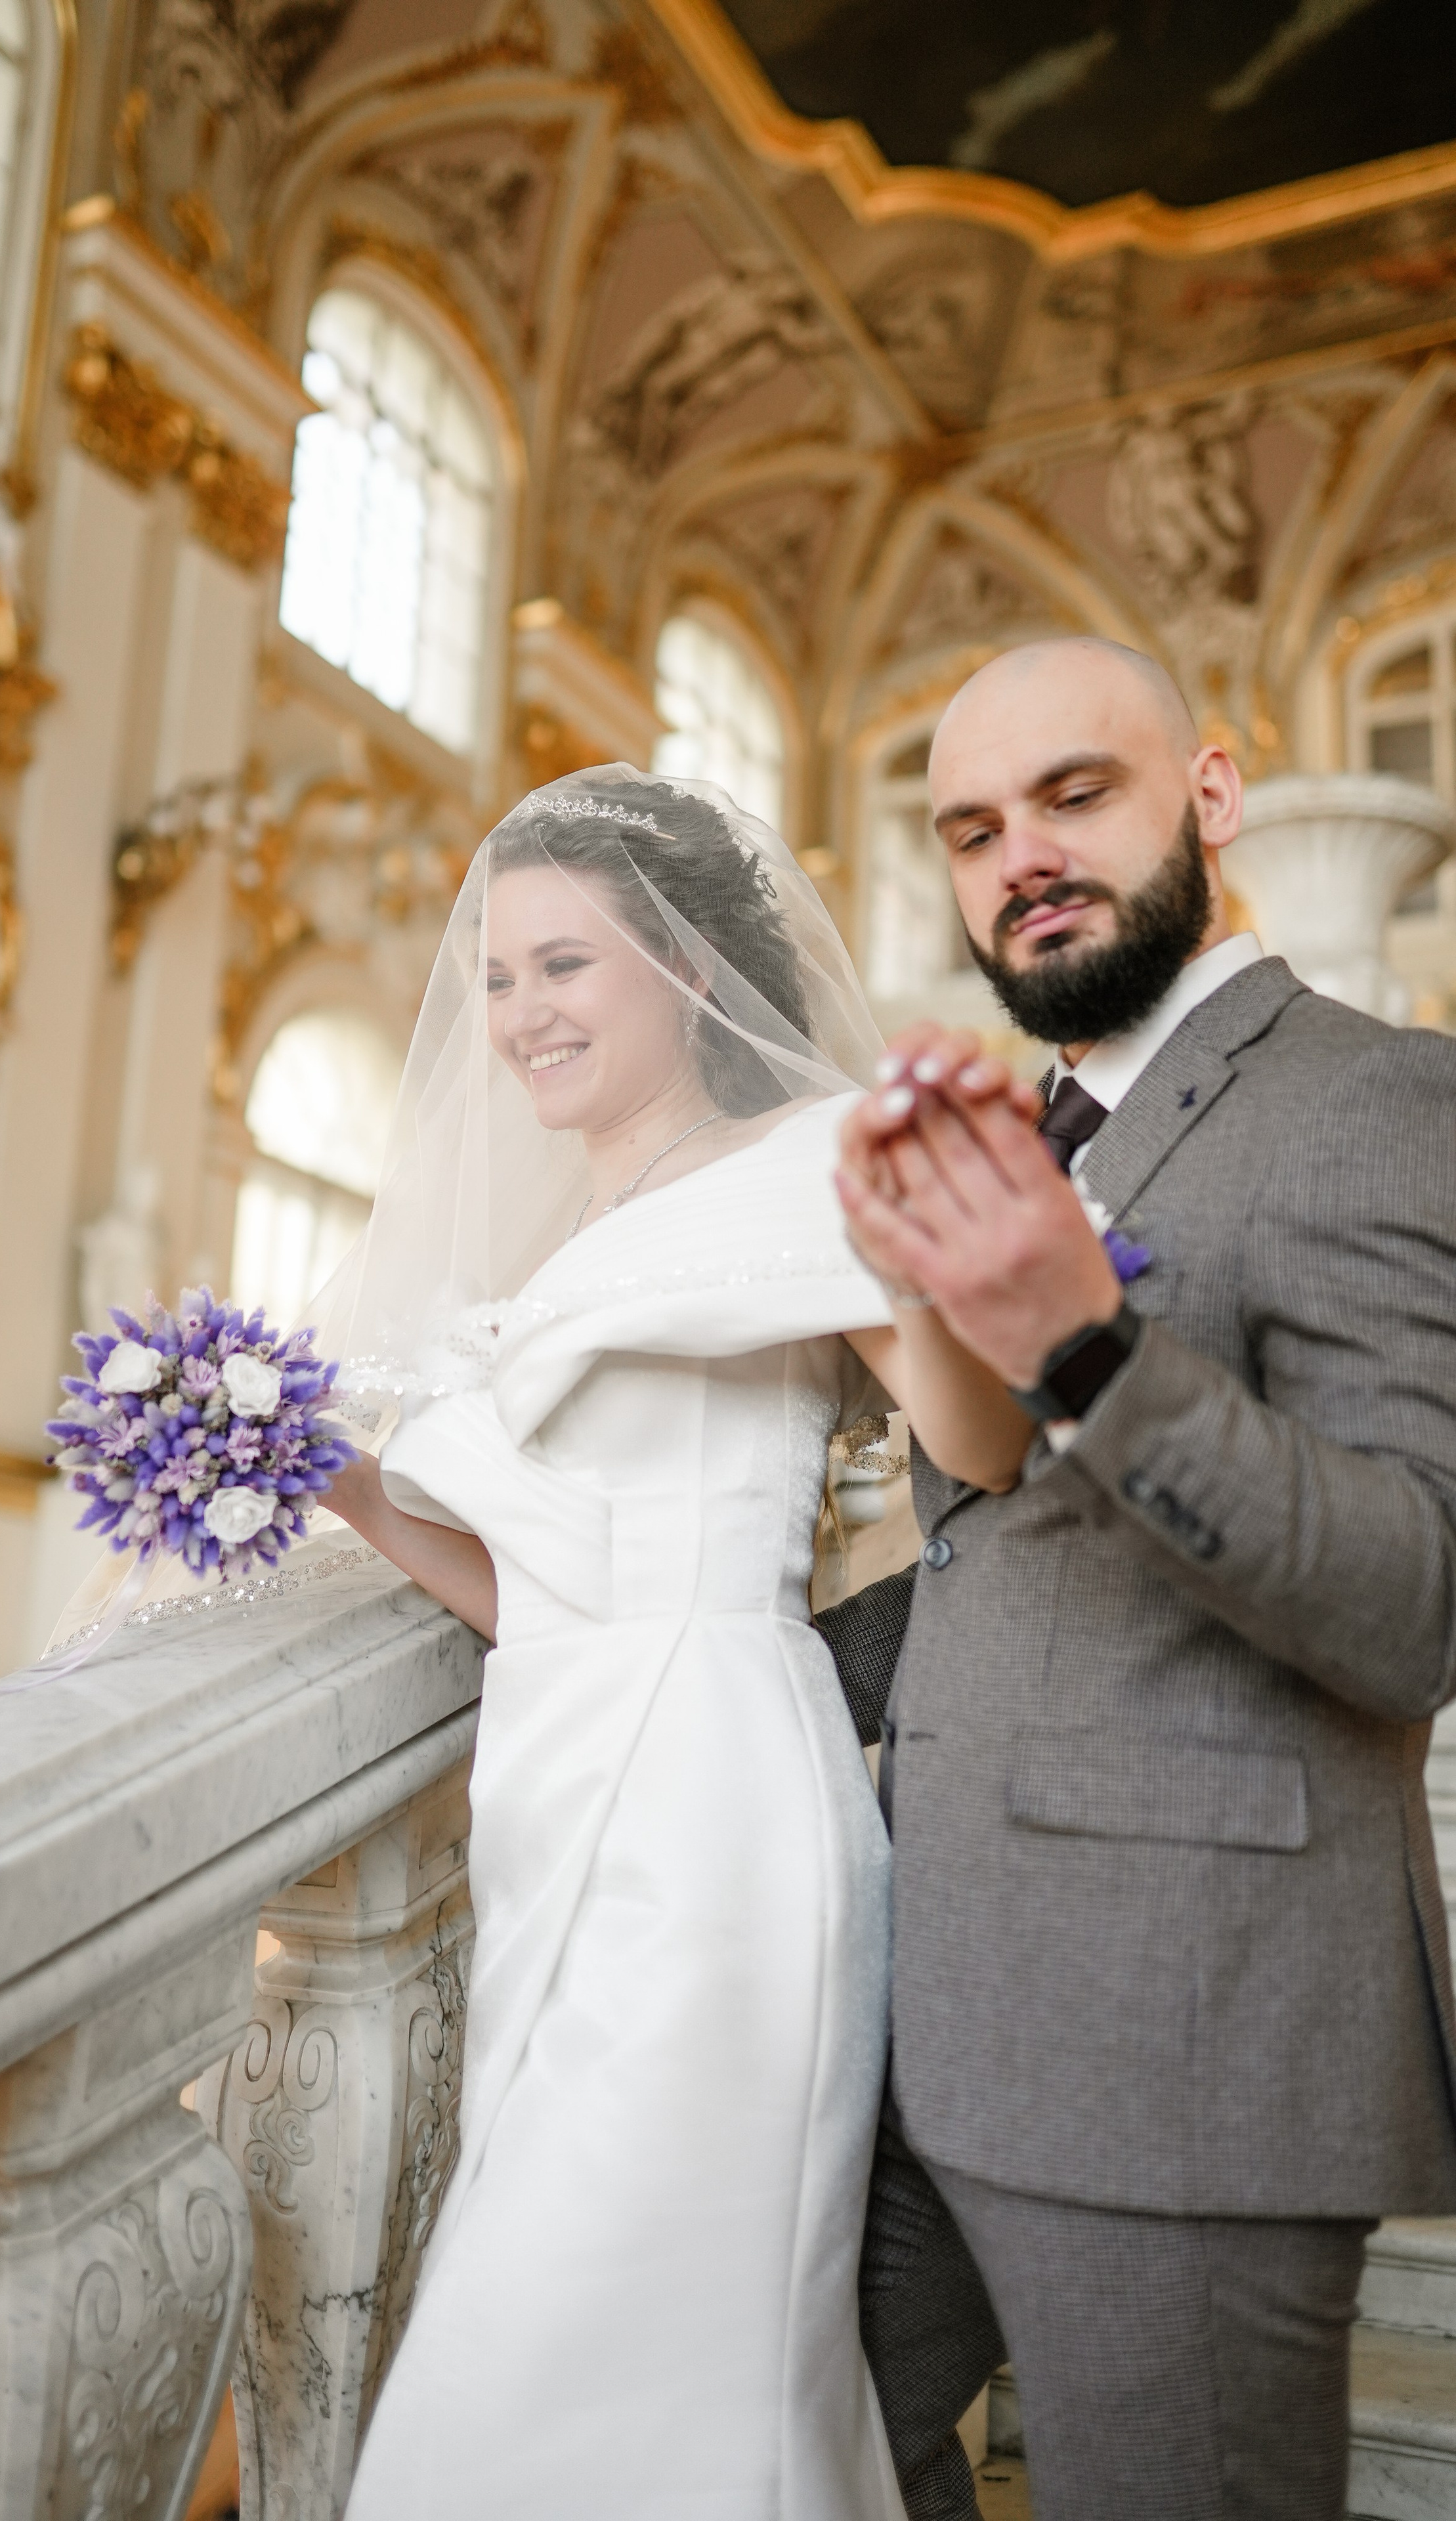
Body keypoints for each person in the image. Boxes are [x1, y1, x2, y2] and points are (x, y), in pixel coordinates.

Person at [309, 765, 1031, 2518]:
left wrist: (918, 1279)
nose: (517, 1012)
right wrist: (325, 1475)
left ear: (689, 973)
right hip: (557, 1790)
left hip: (715, 1805)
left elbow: (992, 1451)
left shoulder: (805, 1170)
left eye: (565, 965)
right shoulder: (571, 1232)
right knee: (577, 2304)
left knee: (610, 2321)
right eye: (495, 972)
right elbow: (534, 1595)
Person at [834, 636, 1456, 2521]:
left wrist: (1090, 1348)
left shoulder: (1385, 1099)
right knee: (781, 2455)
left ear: (1210, 795)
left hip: (1194, 2040)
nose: (1019, 853)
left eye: (1074, 796)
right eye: (971, 828)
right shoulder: (1011, 1137)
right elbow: (994, 1549)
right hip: (915, 2012)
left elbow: (1417, 1604)